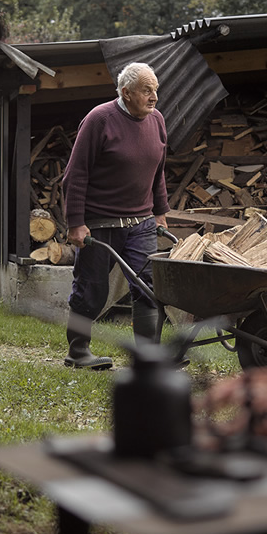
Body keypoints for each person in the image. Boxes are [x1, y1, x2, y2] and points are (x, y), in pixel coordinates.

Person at [61, 62, 170, 369]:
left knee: (148, 286)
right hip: (100, 223)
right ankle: (78, 351)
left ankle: (148, 358)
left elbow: (158, 171)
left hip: (141, 223)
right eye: (147, 90)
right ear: (126, 92)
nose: (154, 97)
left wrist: (160, 211)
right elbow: (75, 174)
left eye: (156, 90)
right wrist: (75, 223)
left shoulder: (157, 121)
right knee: (91, 289)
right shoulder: (100, 120)